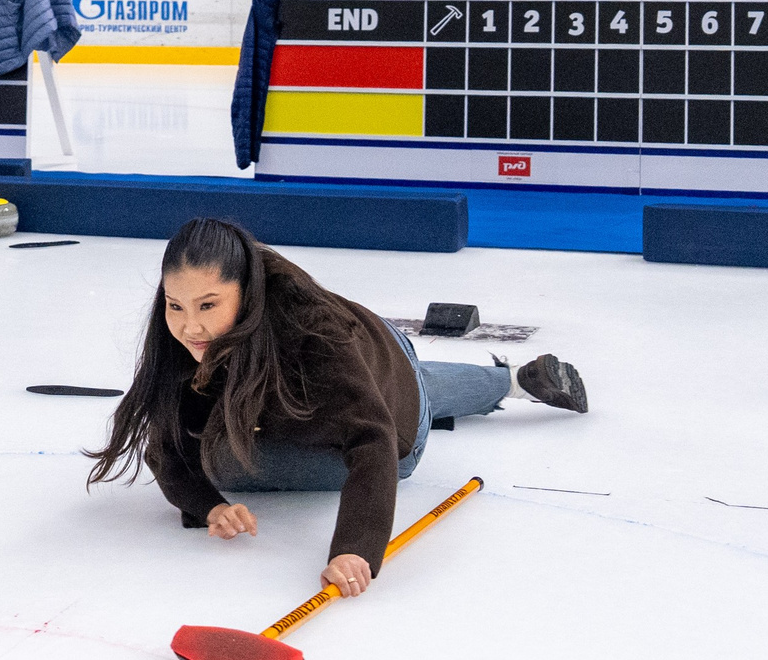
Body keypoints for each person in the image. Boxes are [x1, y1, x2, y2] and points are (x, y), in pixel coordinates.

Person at [87, 218, 589, 597]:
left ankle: (509, 383)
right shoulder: (181, 330)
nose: (190, 327)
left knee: (408, 398)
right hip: (366, 358)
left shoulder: (310, 330)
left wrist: (354, 547)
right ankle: (511, 381)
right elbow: (166, 441)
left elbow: (373, 440)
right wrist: (207, 505)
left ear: (248, 291)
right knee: (225, 452)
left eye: (208, 306)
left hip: (389, 409)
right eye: (177, 305)